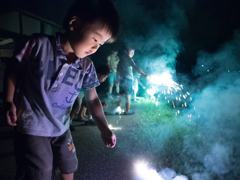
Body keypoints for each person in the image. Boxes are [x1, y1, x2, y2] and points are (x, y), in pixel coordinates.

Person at [4, 0, 119, 179]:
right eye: (95, 39)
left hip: (61, 127)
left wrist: (104, 128)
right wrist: (9, 101)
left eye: (101, 44)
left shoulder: (86, 66)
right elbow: (14, 69)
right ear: (74, 24)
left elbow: (92, 99)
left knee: (68, 166)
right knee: (38, 172)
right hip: (32, 126)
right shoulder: (38, 44)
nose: (96, 47)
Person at [70, 64, 110, 130]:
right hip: (78, 92)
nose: (104, 79)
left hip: (82, 92)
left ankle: (89, 119)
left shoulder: (94, 79)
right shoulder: (91, 78)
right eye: (104, 77)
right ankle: (69, 123)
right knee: (76, 107)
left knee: (87, 103)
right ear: (98, 74)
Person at [116, 47, 149, 115]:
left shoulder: (121, 59)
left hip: (122, 79)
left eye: (133, 52)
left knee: (121, 95)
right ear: (125, 51)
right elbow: (136, 67)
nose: (132, 54)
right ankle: (127, 111)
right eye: (131, 52)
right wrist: (143, 74)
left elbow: (118, 69)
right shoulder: (128, 59)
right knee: (128, 95)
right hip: (128, 79)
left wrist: (117, 78)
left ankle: (118, 109)